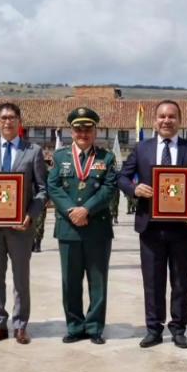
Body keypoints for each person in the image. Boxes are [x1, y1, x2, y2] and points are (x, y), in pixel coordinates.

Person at [117, 100, 187, 349]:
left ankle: (179, 328)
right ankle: (153, 329)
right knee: (153, 280)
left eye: (172, 116)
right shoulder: (141, 149)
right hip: (150, 225)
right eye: (162, 116)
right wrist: (134, 189)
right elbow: (122, 177)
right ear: (155, 120)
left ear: (179, 121)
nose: (166, 121)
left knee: (181, 280)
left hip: (183, 227)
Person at [0, 102, 47, 345]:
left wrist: (31, 215)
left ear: (19, 122)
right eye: (3, 118)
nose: (7, 122)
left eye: (12, 117)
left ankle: (20, 325)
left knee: (20, 278)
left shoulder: (32, 151)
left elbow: (42, 190)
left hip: (20, 228)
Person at [47, 107, 117, 344]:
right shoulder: (59, 157)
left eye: (88, 129)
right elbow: (53, 187)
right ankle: (75, 326)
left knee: (98, 281)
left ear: (95, 130)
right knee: (70, 281)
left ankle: (95, 327)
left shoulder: (106, 158)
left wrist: (86, 209)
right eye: (78, 129)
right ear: (71, 131)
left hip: (97, 227)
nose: (83, 133)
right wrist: (71, 210)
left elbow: (109, 189)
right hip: (68, 228)